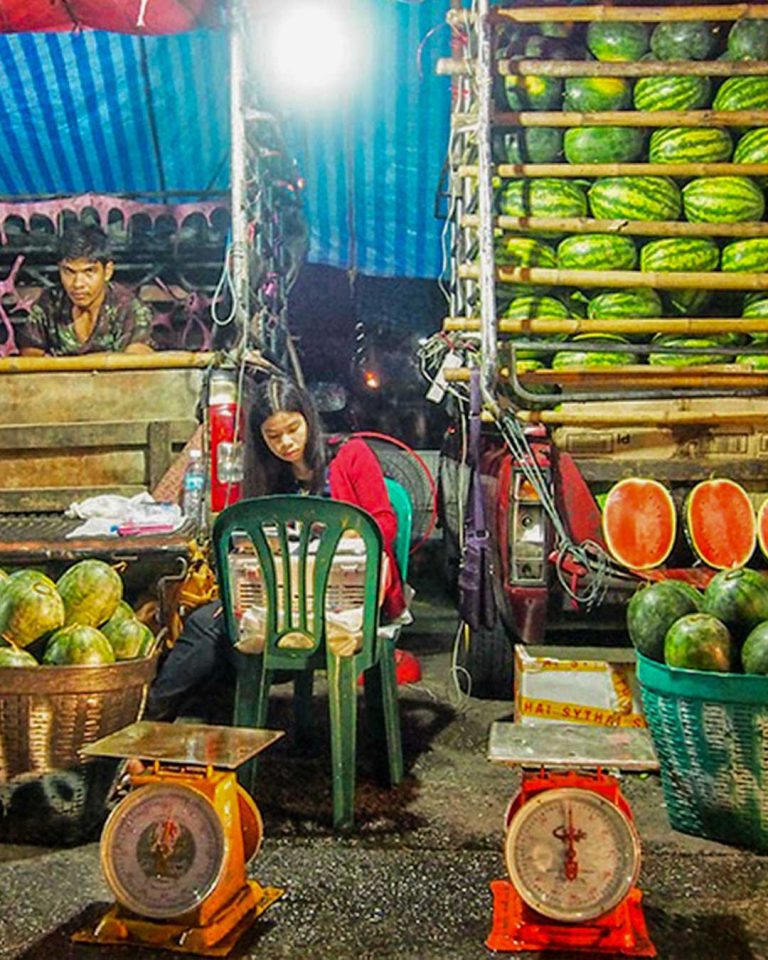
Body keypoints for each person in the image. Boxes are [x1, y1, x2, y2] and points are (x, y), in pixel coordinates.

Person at [145, 374, 413, 722]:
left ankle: (154, 722)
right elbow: (248, 541)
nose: (286, 442)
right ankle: (159, 722)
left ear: (309, 419)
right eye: (273, 436)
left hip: (348, 600)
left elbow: (384, 522)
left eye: (293, 429)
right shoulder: (267, 474)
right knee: (205, 624)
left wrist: (349, 536)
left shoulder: (351, 454)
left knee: (214, 639)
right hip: (285, 598)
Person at [16, 224, 153, 356]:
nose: (77, 284)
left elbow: (137, 359)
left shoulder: (128, 307)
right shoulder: (50, 303)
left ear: (107, 272)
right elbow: (30, 355)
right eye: (69, 272)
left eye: (89, 272)